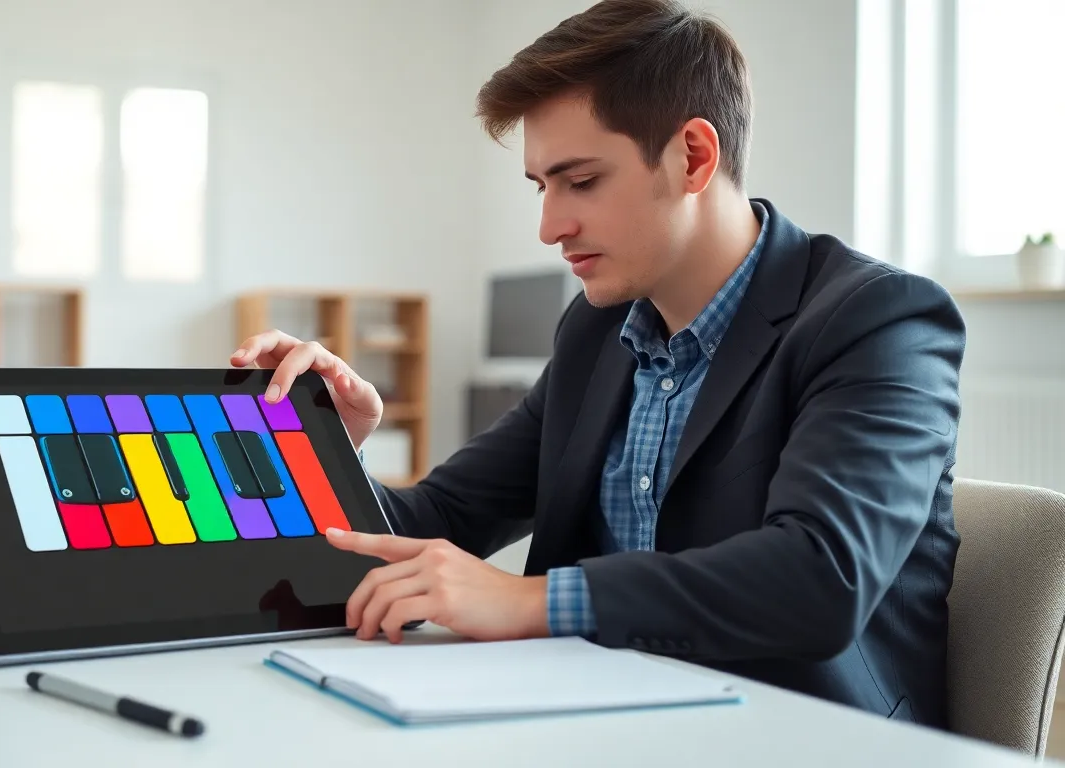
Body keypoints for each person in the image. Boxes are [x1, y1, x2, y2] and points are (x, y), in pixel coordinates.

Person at [230, 0, 964, 729]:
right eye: (541, 186)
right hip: (599, 722)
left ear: (694, 157)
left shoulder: (878, 320)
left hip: (805, 736)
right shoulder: (595, 330)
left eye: (580, 182)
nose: (550, 226)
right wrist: (325, 445)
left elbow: (818, 582)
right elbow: (441, 521)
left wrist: (531, 599)